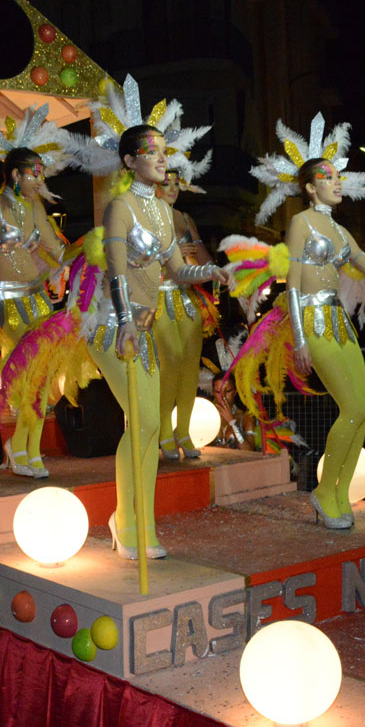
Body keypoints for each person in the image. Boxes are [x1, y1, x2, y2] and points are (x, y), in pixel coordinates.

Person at [226, 114, 365, 529]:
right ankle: (325, 490)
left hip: (340, 324)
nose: (337, 182)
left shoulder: (342, 232)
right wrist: (300, 339)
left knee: (361, 411)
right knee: (350, 407)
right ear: (310, 187)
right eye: (327, 177)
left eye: (337, 176)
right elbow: (292, 284)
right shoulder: (300, 222)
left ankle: (334, 493)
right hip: (311, 321)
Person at [71, 76, 232, 557]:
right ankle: (129, 522)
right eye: (152, 152)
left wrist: (214, 271)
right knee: (141, 422)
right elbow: (117, 271)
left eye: (165, 151)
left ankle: (135, 523)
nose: (163, 159)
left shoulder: (164, 215)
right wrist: (124, 322)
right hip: (111, 326)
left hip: (140, 324)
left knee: (145, 426)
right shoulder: (120, 207)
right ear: (129, 161)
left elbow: (178, 270)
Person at [0, 105, 79, 478]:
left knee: (42, 373)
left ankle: (25, 447)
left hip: (37, 298)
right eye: (34, 173)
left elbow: (57, 251)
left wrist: (92, 249)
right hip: (6, 303)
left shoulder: (35, 206)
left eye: (42, 172)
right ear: (14, 175)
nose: (40, 178)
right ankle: (23, 449)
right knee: (32, 367)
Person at [154, 127, 219, 460]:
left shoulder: (185, 218)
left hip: (188, 300)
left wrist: (197, 252)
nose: (173, 188)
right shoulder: (147, 216)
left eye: (177, 183)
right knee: (172, 362)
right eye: (166, 182)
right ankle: (164, 432)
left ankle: (184, 431)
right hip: (159, 299)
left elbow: (205, 266)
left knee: (190, 367)